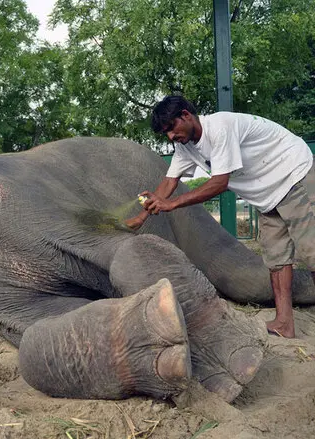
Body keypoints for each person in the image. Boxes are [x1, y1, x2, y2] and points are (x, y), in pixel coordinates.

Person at [125, 95, 315, 338]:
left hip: (295, 174)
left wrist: (171, 204)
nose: (171, 137)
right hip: (267, 195)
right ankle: (284, 324)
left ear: (186, 115)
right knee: (276, 260)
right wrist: (142, 217)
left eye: (171, 128)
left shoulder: (221, 127)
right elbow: (170, 180)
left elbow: (219, 183)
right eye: (166, 133)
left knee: (312, 252)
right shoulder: (185, 147)